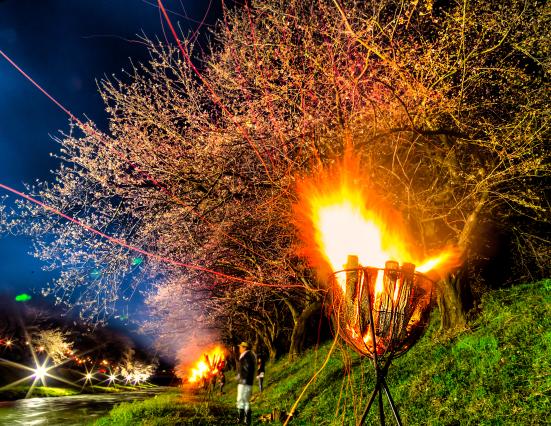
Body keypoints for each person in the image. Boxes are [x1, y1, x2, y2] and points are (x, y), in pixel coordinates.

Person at [236, 341, 256, 425]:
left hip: (244, 382)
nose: (239, 349)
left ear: (244, 348)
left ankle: (244, 419)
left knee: (242, 399)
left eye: (240, 347)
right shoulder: (248, 355)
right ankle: (243, 419)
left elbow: (247, 369)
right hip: (246, 381)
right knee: (244, 400)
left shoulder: (247, 356)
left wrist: (242, 378)